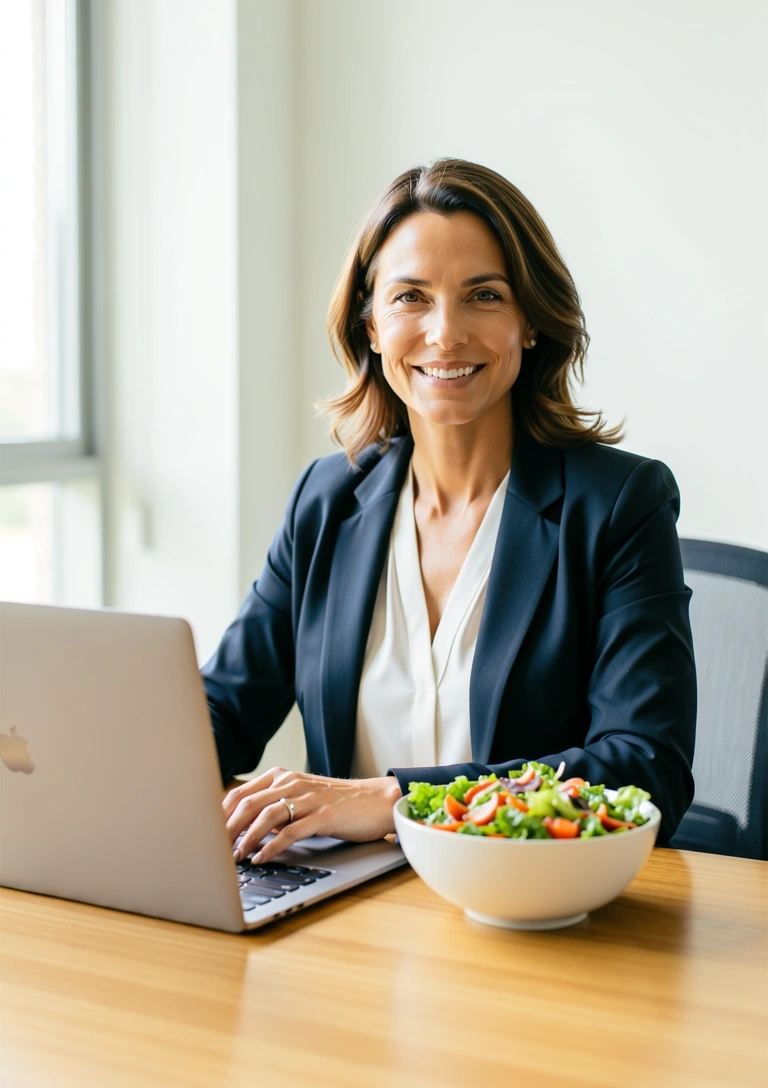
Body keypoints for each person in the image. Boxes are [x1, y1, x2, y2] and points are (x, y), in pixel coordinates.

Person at [202, 158, 696, 864]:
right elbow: (222, 710)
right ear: (370, 326)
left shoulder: (620, 505)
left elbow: (645, 770)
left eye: (484, 296)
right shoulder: (326, 500)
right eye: (411, 298)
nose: (445, 334)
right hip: (347, 916)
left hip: (533, 915)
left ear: (530, 322)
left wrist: (394, 799)